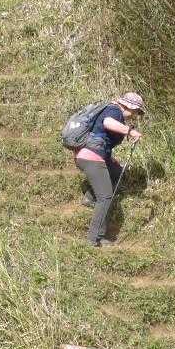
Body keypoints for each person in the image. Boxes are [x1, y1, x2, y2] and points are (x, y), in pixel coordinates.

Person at [74, 91, 144, 247]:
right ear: (130, 107)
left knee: (116, 171)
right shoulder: (114, 110)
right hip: (91, 157)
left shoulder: (112, 110)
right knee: (105, 197)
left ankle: (90, 197)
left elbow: (101, 138)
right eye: (136, 111)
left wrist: (109, 159)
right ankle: (94, 239)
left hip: (89, 155)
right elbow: (107, 123)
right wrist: (130, 131)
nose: (135, 115)